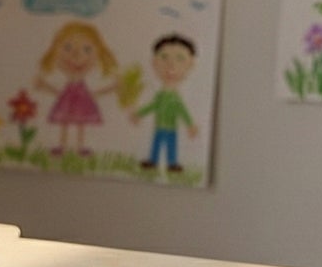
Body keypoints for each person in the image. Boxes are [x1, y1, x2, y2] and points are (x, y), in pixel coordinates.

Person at [33, 21, 119, 157]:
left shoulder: (84, 86)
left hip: (80, 105)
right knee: (65, 122)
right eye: (67, 48)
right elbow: (59, 93)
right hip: (67, 103)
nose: (77, 56)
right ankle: (62, 146)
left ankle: (80, 147)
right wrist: (44, 85)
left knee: (80, 124)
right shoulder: (68, 85)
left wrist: (111, 88)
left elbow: (94, 94)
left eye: (87, 50)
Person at [130, 34, 198, 173]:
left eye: (180, 58)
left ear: (190, 64)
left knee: (171, 145)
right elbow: (153, 106)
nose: (171, 65)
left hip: (171, 128)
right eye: (164, 57)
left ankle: (172, 163)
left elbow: (182, 110)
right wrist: (139, 114)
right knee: (156, 144)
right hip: (159, 126)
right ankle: (153, 161)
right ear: (154, 62)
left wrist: (190, 124)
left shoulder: (176, 97)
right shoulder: (160, 95)